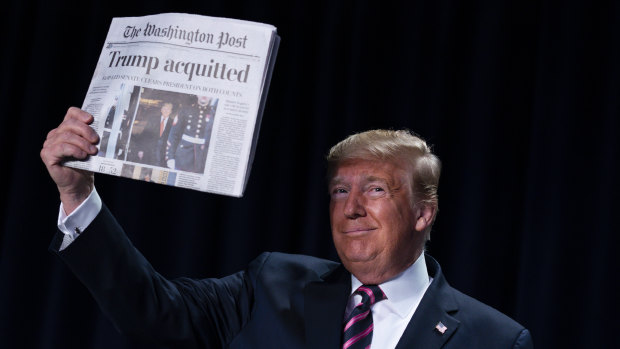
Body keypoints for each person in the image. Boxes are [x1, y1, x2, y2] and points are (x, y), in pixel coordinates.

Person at [40, 107, 533, 348]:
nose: (352, 207)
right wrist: (77, 195)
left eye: (377, 190)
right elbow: (153, 313)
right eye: (341, 190)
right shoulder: (273, 283)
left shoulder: (494, 340)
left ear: (424, 213)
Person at [166, 95, 217, 173]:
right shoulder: (185, 110)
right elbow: (174, 134)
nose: (205, 95)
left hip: (202, 157)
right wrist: (170, 157)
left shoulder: (214, 115)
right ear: (197, 94)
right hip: (183, 155)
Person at [132, 102, 174, 167]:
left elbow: (174, 140)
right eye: (164, 108)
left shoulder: (173, 124)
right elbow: (144, 135)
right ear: (161, 110)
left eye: (168, 109)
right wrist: (141, 149)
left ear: (171, 111)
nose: (166, 110)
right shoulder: (153, 119)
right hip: (149, 153)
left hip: (163, 156)